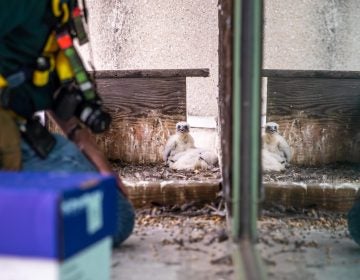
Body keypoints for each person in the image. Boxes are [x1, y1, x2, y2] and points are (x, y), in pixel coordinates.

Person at [0, 0, 134, 246]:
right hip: (7, 137)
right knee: (113, 219)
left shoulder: (58, 7)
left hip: (21, 130)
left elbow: (52, 85)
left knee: (116, 217)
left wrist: (98, 162)